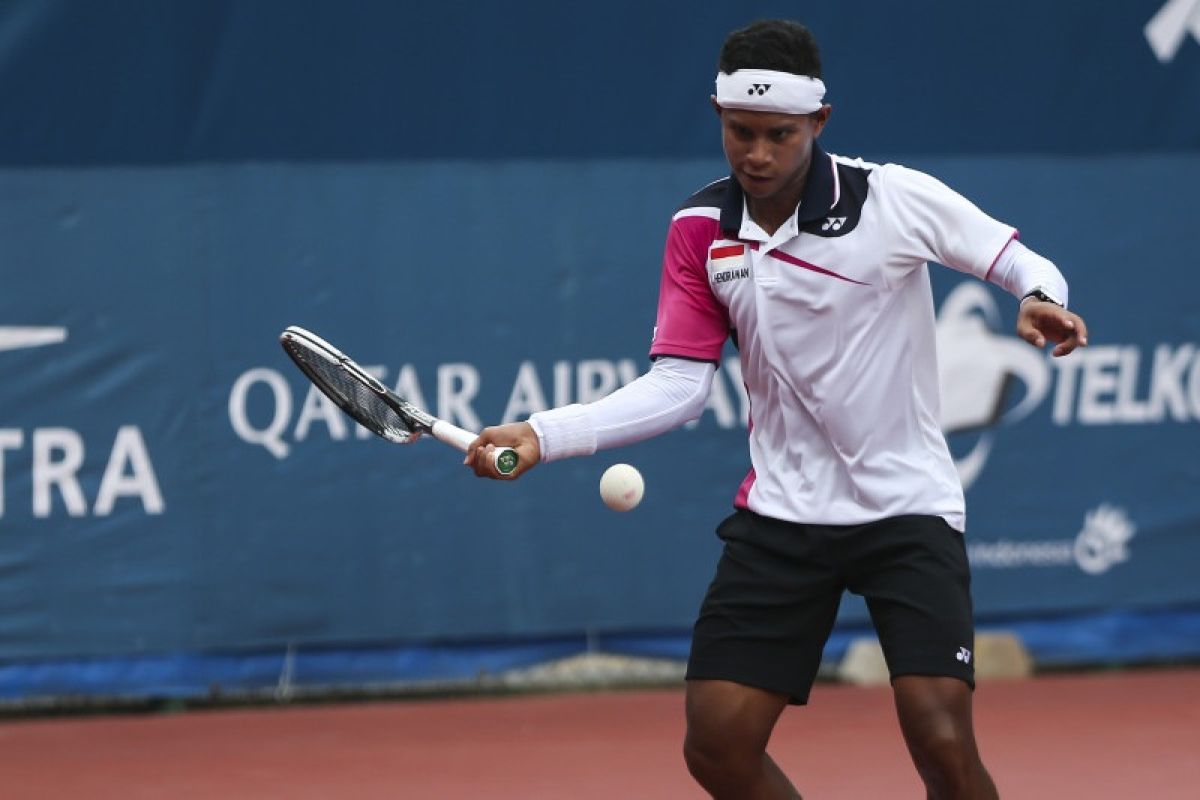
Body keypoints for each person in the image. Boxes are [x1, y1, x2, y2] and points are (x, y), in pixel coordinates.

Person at [465, 18, 1088, 800]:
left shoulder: (892, 199)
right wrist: (543, 434)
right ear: (718, 118)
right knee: (718, 745)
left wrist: (1040, 300)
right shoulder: (699, 231)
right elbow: (681, 384)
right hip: (784, 516)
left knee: (939, 734)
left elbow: (1023, 260)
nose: (757, 154)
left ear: (819, 123)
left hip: (906, 508)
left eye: (779, 135)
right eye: (740, 132)